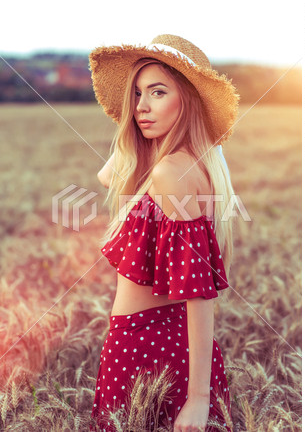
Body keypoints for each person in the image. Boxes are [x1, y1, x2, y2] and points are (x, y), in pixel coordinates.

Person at [88, 34, 239, 431]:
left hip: (141, 346)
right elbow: (107, 177)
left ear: (186, 100)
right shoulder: (188, 163)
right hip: (174, 343)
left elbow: (198, 290)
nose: (141, 106)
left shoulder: (170, 172)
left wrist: (197, 399)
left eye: (157, 92)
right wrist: (135, 130)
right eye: (136, 94)